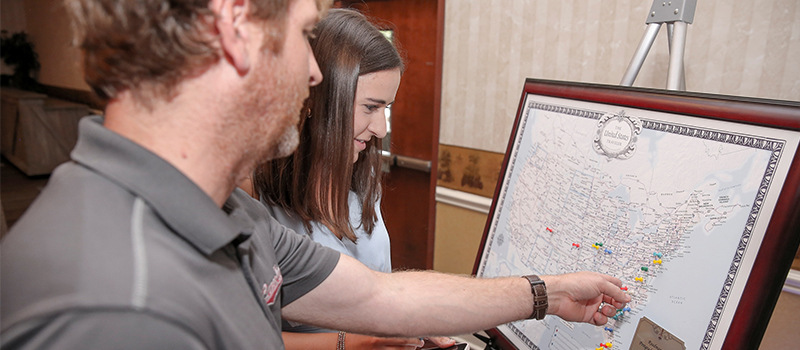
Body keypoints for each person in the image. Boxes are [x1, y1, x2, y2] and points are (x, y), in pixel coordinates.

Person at [0, 0, 631, 349]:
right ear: (235, 25)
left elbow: (375, 297)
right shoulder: (117, 308)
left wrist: (546, 292)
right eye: (304, 34)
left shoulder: (226, 213)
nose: (311, 75)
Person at [247, 8, 453, 349]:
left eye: (386, 109)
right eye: (370, 108)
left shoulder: (362, 175)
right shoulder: (254, 193)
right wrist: (356, 342)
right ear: (320, 98)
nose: (381, 129)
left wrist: (410, 320)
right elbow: (247, 339)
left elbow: (376, 289)